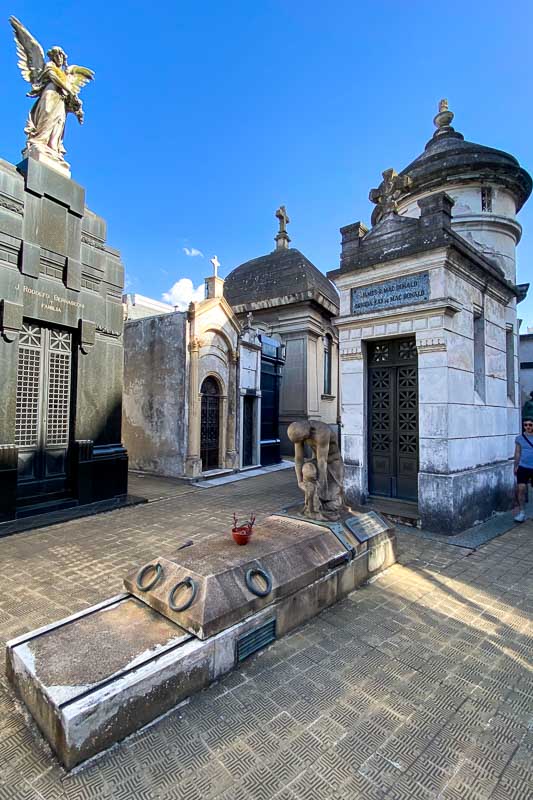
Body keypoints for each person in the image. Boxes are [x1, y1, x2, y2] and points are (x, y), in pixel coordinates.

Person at [513, 418, 533, 522]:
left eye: (530, 425)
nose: (528, 427)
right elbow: (517, 453)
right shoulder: (519, 438)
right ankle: (522, 513)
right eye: (526, 425)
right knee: (521, 489)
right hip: (523, 467)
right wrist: (515, 466)